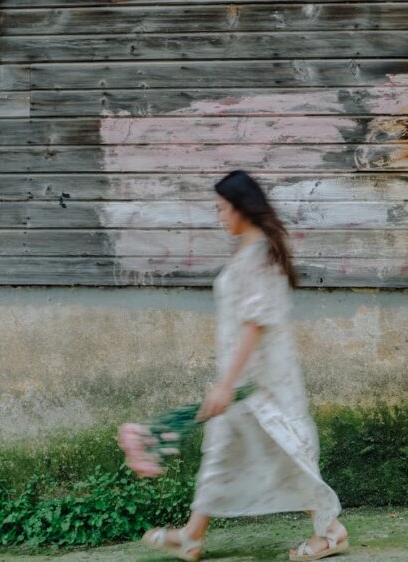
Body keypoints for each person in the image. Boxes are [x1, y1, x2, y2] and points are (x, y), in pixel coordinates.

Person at [142, 170, 348, 562]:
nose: (218, 215)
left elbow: (255, 327)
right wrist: (227, 383)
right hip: (242, 382)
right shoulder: (251, 252)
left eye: (221, 207)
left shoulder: (261, 256)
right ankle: (191, 534)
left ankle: (332, 531)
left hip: (260, 383)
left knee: (286, 453)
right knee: (220, 451)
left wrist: (227, 384)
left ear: (240, 208)